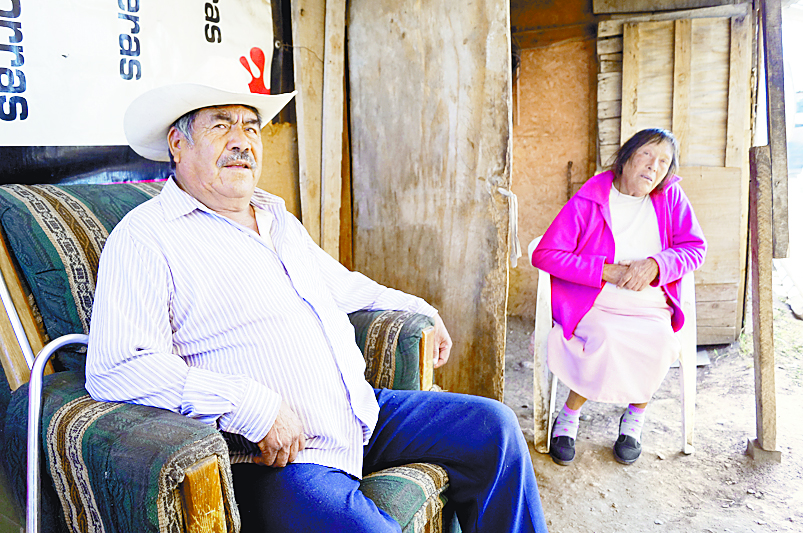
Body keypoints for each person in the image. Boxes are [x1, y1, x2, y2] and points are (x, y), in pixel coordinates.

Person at [85, 83, 549, 533]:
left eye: (251, 127)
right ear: (177, 144)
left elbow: (342, 286)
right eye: (221, 125)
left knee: (495, 428)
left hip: (358, 412)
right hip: (278, 457)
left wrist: (418, 306)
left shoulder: (277, 219)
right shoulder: (146, 237)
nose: (241, 141)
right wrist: (250, 405)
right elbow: (118, 366)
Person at [531, 128, 706, 467]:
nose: (653, 166)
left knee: (659, 342)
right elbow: (546, 254)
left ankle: (635, 417)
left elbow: (695, 249)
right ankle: (569, 414)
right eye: (647, 155)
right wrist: (604, 271)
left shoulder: (671, 197)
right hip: (596, 301)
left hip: (650, 303)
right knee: (606, 339)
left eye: (664, 162)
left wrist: (657, 264)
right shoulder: (591, 197)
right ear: (626, 157)